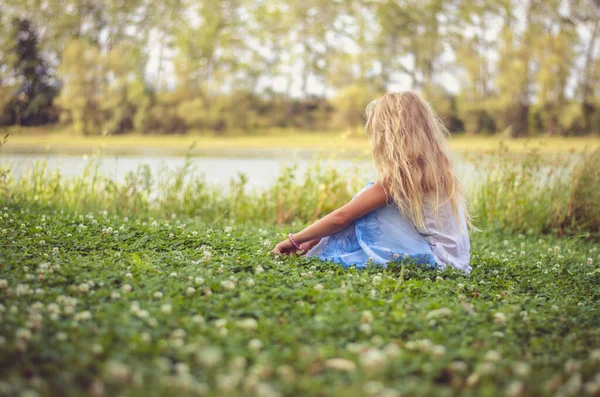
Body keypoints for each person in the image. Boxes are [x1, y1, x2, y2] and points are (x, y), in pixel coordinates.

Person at [272, 91, 471, 274]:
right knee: (369, 201)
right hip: (456, 263)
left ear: (392, 134)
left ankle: (320, 252)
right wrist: (310, 240)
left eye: (379, 132)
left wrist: (295, 239)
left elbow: (343, 217)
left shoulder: (398, 178)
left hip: (436, 263)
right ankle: (316, 247)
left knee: (366, 197)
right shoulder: (437, 172)